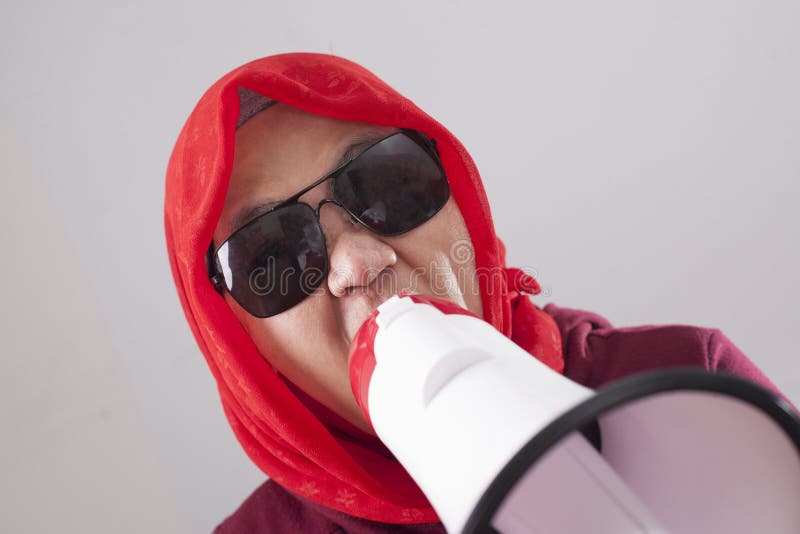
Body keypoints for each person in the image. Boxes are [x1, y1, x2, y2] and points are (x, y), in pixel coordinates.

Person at [164, 53, 788, 533]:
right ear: (238, 343)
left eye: (384, 179)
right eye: (272, 252)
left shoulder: (687, 388)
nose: (360, 261)